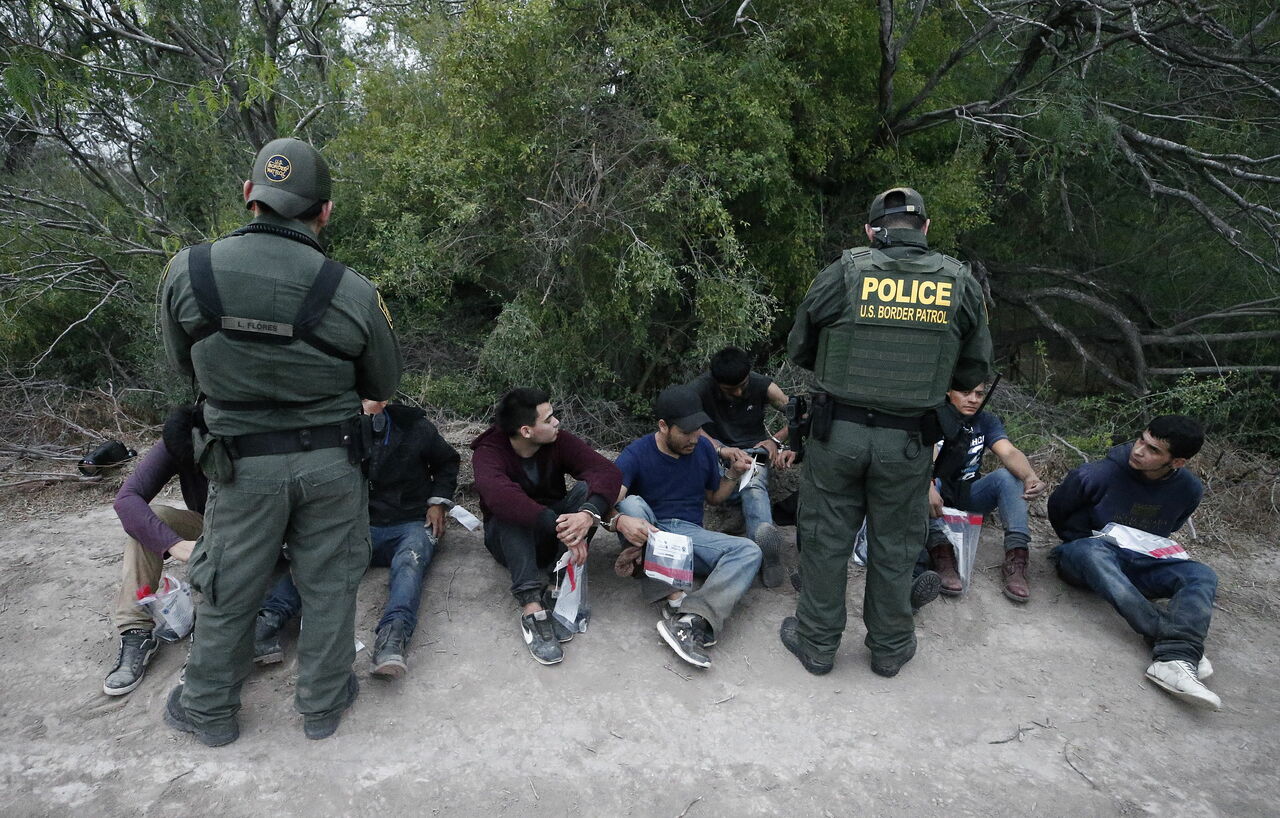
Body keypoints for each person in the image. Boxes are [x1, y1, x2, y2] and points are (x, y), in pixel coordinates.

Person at [160, 137, 402, 744]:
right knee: (330, 584)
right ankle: (322, 705)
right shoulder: (354, 290)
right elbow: (382, 384)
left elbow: (182, 365)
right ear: (325, 211)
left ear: (249, 194)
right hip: (332, 463)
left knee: (228, 582)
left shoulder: (188, 271)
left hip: (240, 468)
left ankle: (210, 711)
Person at [782, 186, 993, 678]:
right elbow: (974, 370)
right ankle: (890, 649)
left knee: (825, 539)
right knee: (896, 544)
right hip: (908, 441)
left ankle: (817, 645)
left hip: (838, 434)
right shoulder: (959, 282)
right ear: (926, 227)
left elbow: (800, 347)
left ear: (870, 230)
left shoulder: (844, 271)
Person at [253, 398, 460, 678]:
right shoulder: (331, 435)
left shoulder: (415, 427)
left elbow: (447, 461)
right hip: (358, 523)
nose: (362, 407)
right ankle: (267, 622)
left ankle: (393, 636)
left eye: (368, 399)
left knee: (410, 562)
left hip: (409, 520)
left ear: (384, 400)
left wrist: (438, 503)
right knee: (317, 558)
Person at [1048, 415, 1220, 710]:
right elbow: (1059, 512)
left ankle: (1173, 658)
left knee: (1201, 574)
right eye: (1141, 439)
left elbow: (1171, 526)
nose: (1139, 450)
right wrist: (1085, 539)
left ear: (1177, 462)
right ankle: (1179, 646)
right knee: (1091, 552)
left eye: (1153, 450)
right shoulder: (1095, 475)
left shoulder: (1189, 489)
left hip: (1140, 561)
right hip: (1085, 557)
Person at [612, 384, 762, 669]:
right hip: (652, 529)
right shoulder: (637, 453)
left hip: (688, 535)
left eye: (698, 430)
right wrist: (619, 520)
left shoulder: (703, 447)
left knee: (749, 551)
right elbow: (611, 499)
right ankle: (672, 594)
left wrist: (732, 473)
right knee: (630, 504)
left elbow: (714, 497)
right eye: (685, 432)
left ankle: (690, 618)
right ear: (663, 426)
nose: (694, 438)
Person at [471, 388, 622, 666]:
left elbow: (606, 471)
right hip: (510, 541)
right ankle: (532, 606)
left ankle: (558, 582)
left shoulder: (558, 440)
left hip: (555, 533)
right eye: (549, 419)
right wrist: (563, 528)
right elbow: (500, 497)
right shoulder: (488, 452)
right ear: (526, 431)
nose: (556, 422)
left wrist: (587, 515)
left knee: (586, 491)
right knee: (510, 507)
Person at [103, 405, 207, 696]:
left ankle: (209, 637)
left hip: (258, 530)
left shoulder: (253, 430)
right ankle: (136, 629)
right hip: (209, 522)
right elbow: (126, 500)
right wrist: (173, 543)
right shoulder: (185, 431)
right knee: (150, 521)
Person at [924, 379, 1046, 601]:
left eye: (979, 394)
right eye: (965, 392)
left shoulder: (985, 421)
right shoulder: (933, 416)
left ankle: (1017, 558)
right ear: (948, 391)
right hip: (934, 489)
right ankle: (941, 553)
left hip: (968, 492)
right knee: (924, 483)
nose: (973, 399)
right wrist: (926, 484)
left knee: (1009, 477)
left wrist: (1030, 476)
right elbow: (920, 462)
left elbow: (1009, 452)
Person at [688, 346, 795, 588]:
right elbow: (688, 424)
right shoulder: (700, 389)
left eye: (742, 385)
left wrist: (776, 440)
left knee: (753, 483)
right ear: (716, 382)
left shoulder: (763, 385)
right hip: (716, 452)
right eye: (730, 389)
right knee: (724, 479)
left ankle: (766, 554)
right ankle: (754, 544)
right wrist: (719, 449)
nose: (738, 392)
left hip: (753, 452)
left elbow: (800, 416)